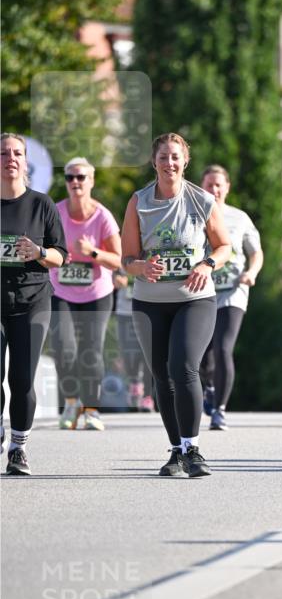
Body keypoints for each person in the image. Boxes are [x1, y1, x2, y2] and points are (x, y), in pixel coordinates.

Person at [120, 133, 231, 476]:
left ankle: (193, 448)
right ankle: (176, 451)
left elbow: (223, 246)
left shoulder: (201, 200)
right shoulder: (139, 202)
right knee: (161, 378)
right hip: (149, 302)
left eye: (175, 157)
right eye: (164, 157)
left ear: (186, 162)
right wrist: (141, 267)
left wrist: (206, 264)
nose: (170, 163)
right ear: (154, 162)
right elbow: (127, 259)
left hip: (194, 299)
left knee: (183, 366)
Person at [1, 133, 67, 475]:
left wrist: (39, 252)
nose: (10, 158)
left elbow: (61, 256)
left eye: (17, 153)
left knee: (22, 378)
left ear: (26, 162)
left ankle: (18, 447)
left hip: (32, 300)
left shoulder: (42, 205)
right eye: (3, 153)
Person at [49, 157, 122, 431]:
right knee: (64, 349)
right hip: (61, 292)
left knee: (91, 351)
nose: (75, 182)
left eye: (81, 177)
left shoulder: (102, 216)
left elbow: (118, 260)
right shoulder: (55, 213)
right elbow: (44, 252)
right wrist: (59, 257)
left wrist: (92, 252)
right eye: (70, 177)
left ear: (91, 181)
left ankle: (91, 409)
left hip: (97, 293)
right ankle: (70, 403)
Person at [198, 165, 263, 430]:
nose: (213, 189)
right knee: (202, 354)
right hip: (200, 292)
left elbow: (256, 252)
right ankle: (209, 387)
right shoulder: (192, 216)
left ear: (227, 187)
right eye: (209, 185)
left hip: (233, 291)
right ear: (201, 187)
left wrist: (252, 272)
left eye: (218, 185)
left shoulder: (239, 218)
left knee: (224, 348)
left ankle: (220, 410)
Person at [112, 269, 154, 411]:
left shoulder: (152, 252)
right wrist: (116, 278)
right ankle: (134, 384)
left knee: (148, 354)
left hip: (149, 310)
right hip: (125, 312)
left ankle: (147, 395)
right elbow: (110, 273)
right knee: (129, 352)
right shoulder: (121, 252)